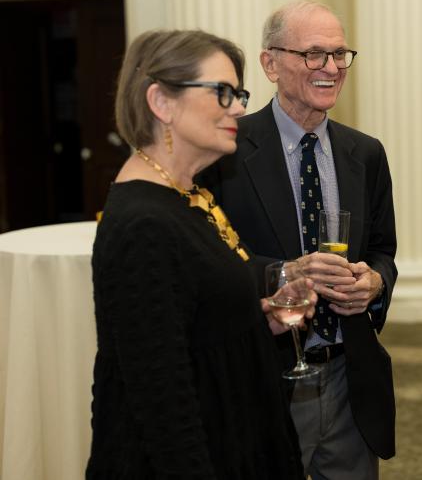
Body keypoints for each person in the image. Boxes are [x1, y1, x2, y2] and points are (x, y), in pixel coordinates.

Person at [86, 29, 310, 479]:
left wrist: (254, 317)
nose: (239, 108)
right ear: (161, 102)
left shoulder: (188, 195)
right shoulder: (142, 224)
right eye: (222, 92)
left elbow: (188, 317)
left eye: (239, 94)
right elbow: (162, 402)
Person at [199, 0, 397, 479]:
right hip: (264, 377)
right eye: (313, 54)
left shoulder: (366, 153)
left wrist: (374, 284)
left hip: (349, 376)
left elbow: (383, 251)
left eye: (339, 54)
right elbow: (208, 263)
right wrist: (285, 272)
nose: (331, 68)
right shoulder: (226, 151)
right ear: (271, 64)